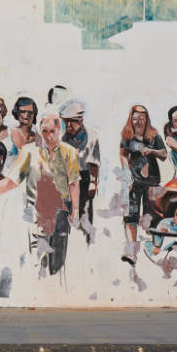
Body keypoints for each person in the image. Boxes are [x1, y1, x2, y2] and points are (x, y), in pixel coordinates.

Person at [0, 112, 81, 279]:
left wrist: (75, 211)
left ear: (59, 130)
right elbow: (12, 180)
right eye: (44, 131)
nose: (48, 136)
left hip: (61, 211)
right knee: (38, 260)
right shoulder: (29, 152)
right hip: (37, 213)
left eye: (51, 131)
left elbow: (74, 183)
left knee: (58, 261)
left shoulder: (69, 152)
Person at [117, 104, 166, 265]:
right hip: (133, 181)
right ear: (131, 118)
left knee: (152, 216)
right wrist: (126, 173)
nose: (139, 121)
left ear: (147, 119)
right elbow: (123, 155)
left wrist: (152, 151)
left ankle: (156, 250)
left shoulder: (154, 135)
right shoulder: (127, 135)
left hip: (152, 181)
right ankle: (131, 253)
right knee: (131, 215)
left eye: (142, 118)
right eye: (136, 118)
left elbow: (164, 154)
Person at [58, 99, 100, 245]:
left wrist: (94, 183)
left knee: (85, 215)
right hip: (66, 179)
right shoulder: (61, 138)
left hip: (84, 177)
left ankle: (87, 243)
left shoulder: (92, 136)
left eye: (73, 121)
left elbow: (94, 162)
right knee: (65, 213)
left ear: (81, 120)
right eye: (66, 121)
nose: (69, 125)